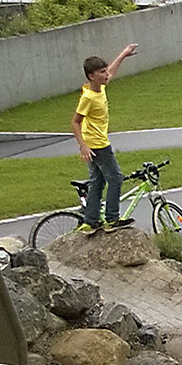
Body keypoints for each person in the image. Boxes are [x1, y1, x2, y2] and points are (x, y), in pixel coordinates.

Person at [71, 43, 138, 234]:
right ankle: (112, 219)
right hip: (98, 145)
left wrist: (124, 54)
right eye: (102, 72)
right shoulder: (89, 97)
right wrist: (82, 146)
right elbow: (75, 122)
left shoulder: (100, 88)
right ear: (91, 76)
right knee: (116, 178)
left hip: (96, 144)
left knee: (98, 182)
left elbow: (112, 71)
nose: (106, 74)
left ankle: (91, 221)